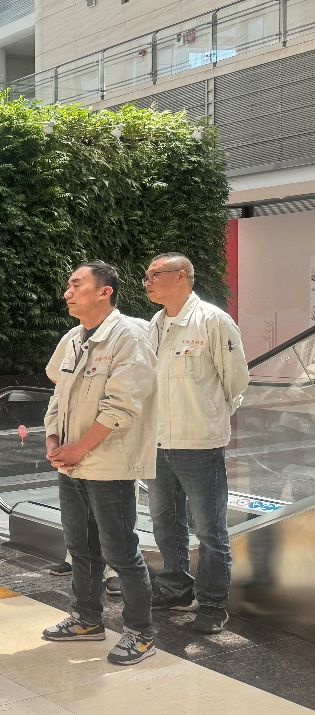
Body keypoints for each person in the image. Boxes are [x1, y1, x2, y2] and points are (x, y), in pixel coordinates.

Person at [40, 262, 159, 666]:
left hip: (110, 464)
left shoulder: (130, 335)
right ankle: (86, 619)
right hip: (72, 462)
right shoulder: (73, 338)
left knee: (121, 551)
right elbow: (59, 394)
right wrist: (54, 439)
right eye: (68, 285)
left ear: (105, 291)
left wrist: (80, 448)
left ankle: (140, 632)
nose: (68, 292)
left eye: (77, 284)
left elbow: (122, 406)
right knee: (80, 547)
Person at [144, 252, 249, 634]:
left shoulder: (213, 321)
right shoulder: (155, 325)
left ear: (182, 277)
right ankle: (175, 589)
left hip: (200, 443)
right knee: (165, 523)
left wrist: (211, 415)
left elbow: (236, 380)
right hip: (158, 442)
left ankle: (213, 603)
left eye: (154, 274)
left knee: (209, 529)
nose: (147, 282)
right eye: (146, 276)